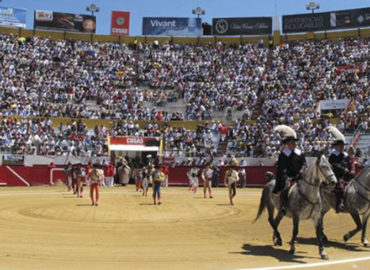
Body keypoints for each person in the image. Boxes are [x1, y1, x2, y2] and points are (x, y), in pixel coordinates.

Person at [273, 125, 306, 215]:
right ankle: (283, 206)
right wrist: (285, 175)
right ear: (288, 144)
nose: (294, 144)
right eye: (292, 143)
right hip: (288, 176)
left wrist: (302, 170)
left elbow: (304, 163)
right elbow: (281, 167)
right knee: (285, 188)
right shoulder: (284, 154)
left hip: (300, 175)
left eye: (294, 143)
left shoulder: (299, 153)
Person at [328, 126, 353, 213]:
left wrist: (351, 169)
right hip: (336, 174)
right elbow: (333, 164)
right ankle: (339, 204)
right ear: (336, 147)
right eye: (340, 146)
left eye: (342, 146)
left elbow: (349, 163)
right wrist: (343, 169)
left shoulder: (345, 155)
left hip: (346, 174)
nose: (342, 147)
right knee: (339, 188)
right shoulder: (333, 155)